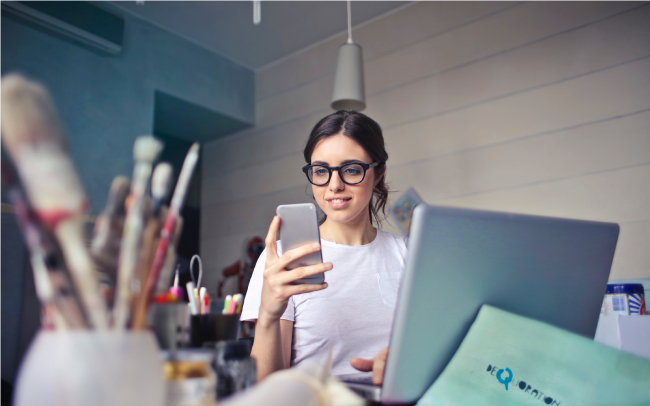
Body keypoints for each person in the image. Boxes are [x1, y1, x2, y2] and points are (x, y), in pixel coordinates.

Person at [241, 110, 407, 385]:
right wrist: (269, 315)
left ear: (378, 173)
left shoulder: (408, 255)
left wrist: (406, 362)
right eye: (321, 171)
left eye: (351, 169)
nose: (334, 185)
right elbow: (266, 392)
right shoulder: (284, 259)